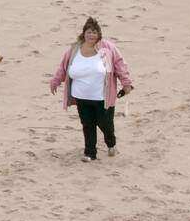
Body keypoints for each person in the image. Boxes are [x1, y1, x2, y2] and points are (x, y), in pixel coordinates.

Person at [48, 17, 134, 162]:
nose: (91, 35)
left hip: (103, 97)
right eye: (89, 32)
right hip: (81, 96)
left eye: (94, 32)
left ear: (99, 34)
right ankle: (90, 153)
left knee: (104, 123)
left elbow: (120, 64)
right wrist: (56, 81)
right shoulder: (75, 49)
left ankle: (111, 142)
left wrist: (126, 83)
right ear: (84, 33)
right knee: (87, 125)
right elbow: (63, 66)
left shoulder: (106, 48)